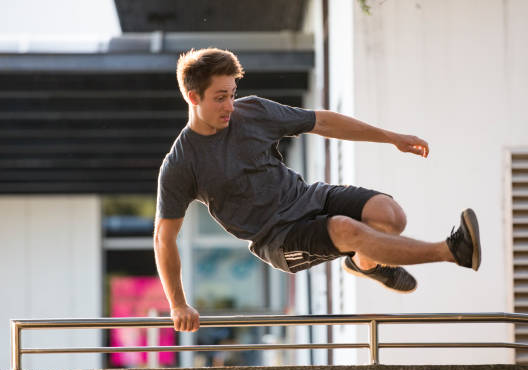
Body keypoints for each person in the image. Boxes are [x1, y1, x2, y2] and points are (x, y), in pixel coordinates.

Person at [154, 48, 482, 333]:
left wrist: (391, 137)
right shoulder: (181, 164)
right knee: (346, 229)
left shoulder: (252, 112)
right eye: (220, 97)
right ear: (193, 97)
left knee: (390, 216)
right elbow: (164, 238)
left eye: (232, 93)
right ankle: (451, 251)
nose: (230, 105)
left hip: (307, 197)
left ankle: (364, 263)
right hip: (277, 237)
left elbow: (321, 122)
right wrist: (178, 304)